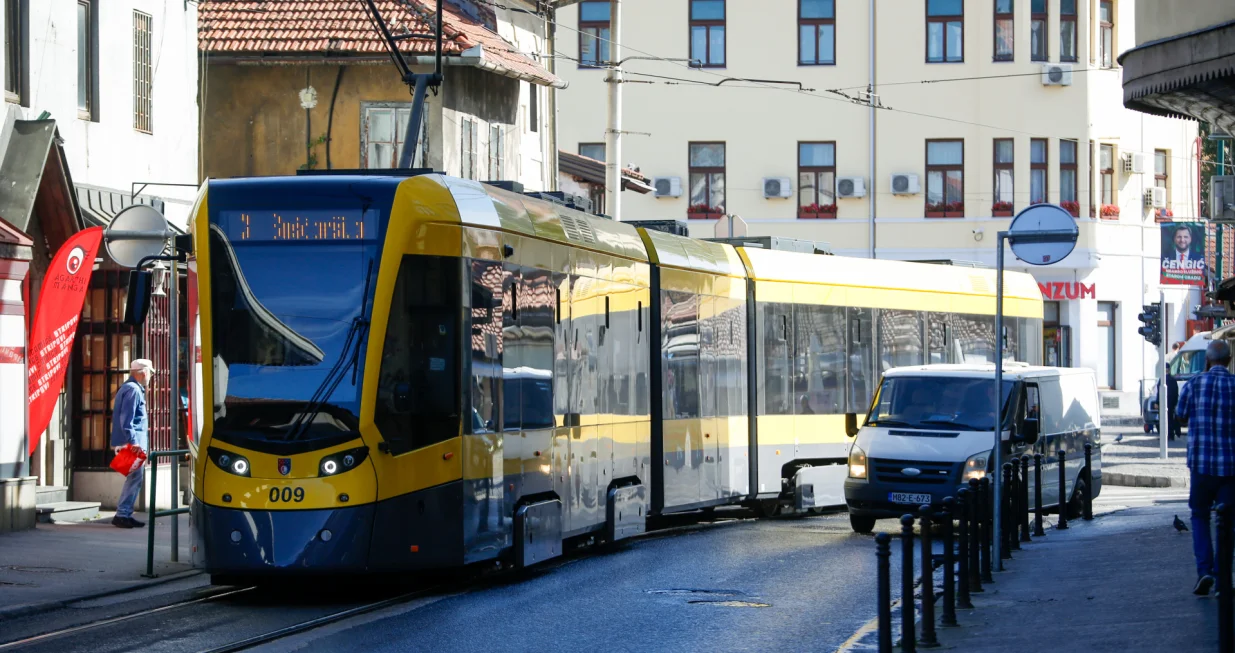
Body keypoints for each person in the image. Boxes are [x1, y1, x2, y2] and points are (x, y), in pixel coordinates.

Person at [1175, 341, 1235, 595]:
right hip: (1230, 469)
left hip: (1200, 466)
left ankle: (1205, 571)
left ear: (1208, 360)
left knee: (1199, 517)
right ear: (1230, 360)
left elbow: (1180, 414)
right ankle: (1222, 580)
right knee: (1227, 522)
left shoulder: (1194, 384)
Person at [111, 359, 153, 529]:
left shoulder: (130, 388)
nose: (150, 376)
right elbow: (127, 421)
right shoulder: (134, 390)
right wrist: (135, 443)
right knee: (135, 477)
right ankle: (123, 514)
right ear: (143, 372)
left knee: (134, 478)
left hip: (131, 442)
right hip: (133, 443)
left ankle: (124, 513)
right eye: (149, 372)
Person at [1165, 371, 1181, 440]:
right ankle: (1171, 434)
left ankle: (1168, 434)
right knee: (1171, 419)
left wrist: (1157, 402)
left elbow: (1159, 392)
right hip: (1171, 403)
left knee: (1167, 419)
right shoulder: (1173, 380)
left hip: (1166, 402)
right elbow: (1176, 392)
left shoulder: (1163, 380)